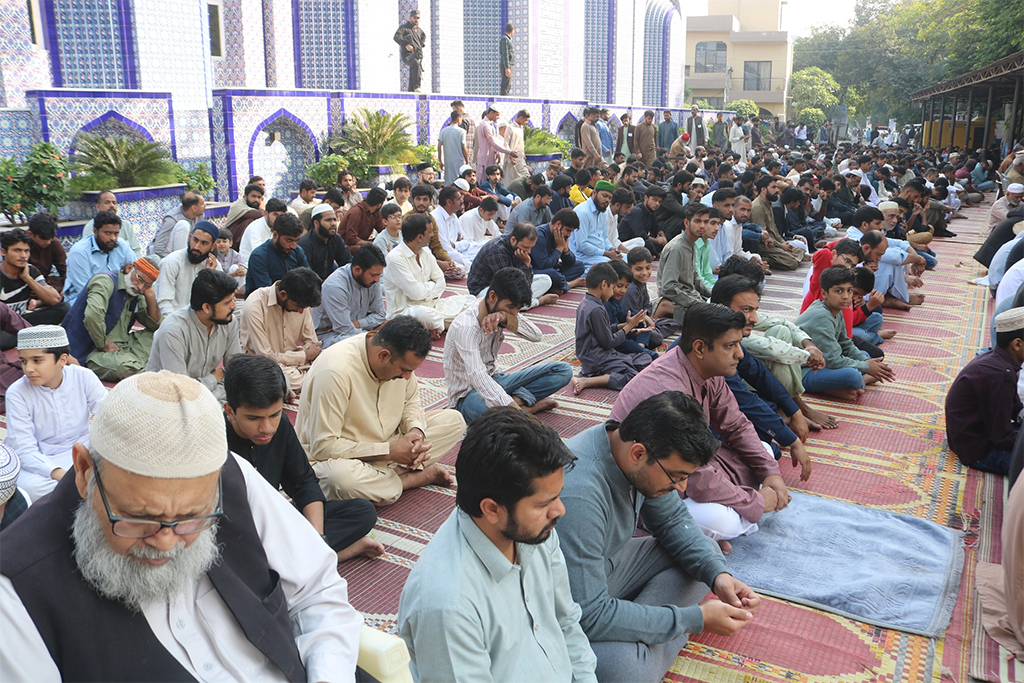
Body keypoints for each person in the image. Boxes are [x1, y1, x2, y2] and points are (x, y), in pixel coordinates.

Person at [0, 370, 363, 680]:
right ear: (83, 472)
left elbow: (317, 591)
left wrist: (329, 674)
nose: (166, 542)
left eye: (193, 517)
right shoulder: (16, 590)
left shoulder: (232, 478)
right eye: (140, 517)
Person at [560, 391, 760, 683]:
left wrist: (718, 577)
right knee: (624, 671)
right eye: (677, 476)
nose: (682, 488)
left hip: (605, 575)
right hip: (565, 608)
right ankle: (642, 636)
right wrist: (694, 619)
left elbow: (673, 520)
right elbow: (586, 614)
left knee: (705, 552)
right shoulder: (581, 495)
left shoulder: (631, 451)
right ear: (638, 453)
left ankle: (639, 629)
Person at [398, 406, 596, 682]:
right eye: (544, 503)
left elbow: (566, 621)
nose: (559, 510)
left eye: (557, 496)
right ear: (492, 509)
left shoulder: (532, 529)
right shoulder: (448, 606)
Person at [610, 303, 791, 542]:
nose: (739, 354)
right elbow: (692, 474)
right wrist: (755, 502)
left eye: (738, 344)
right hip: (653, 486)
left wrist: (771, 474)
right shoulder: (666, 391)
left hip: (690, 467)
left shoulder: (706, 370)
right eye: (730, 346)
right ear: (699, 348)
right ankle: (680, 531)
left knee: (765, 452)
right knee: (721, 520)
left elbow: (736, 425)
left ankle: (733, 520)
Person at [223, 355, 383, 562]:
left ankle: (311, 557)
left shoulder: (279, 427)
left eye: (274, 415)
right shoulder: (215, 441)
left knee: (362, 512)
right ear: (230, 411)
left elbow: (303, 482)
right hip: (239, 529)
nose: (267, 428)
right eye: (254, 418)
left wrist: (318, 539)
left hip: (274, 521)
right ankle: (335, 555)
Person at [296, 316, 465, 505]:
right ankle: (408, 479)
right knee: (339, 480)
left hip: (390, 445)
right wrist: (389, 452)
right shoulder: (335, 372)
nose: (408, 377)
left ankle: (385, 478)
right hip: (343, 458)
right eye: (404, 370)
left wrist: (415, 432)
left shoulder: (400, 363)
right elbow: (324, 446)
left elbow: (410, 402)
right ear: (383, 355)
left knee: (453, 421)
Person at [711, 276, 812, 476]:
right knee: (769, 450)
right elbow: (743, 399)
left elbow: (760, 375)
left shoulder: (729, 338)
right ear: (722, 309)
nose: (754, 319)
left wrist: (796, 412)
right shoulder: (712, 345)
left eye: (755, 310)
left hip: (718, 413)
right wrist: (790, 440)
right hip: (693, 428)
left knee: (770, 410)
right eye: (746, 310)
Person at [445, 268, 572, 420]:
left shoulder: (503, 313)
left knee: (563, 370)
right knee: (491, 414)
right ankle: (523, 409)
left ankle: (515, 404)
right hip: (467, 396)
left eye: (517, 309)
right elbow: (478, 377)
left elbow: (536, 335)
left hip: (496, 379)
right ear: (492, 296)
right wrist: (517, 413)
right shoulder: (466, 327)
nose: (514, 312)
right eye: (511, 307)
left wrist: (506, 318)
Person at [4, 325, 107, 501]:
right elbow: (24, 448)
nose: (28, 369)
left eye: (37, 360)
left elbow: (108, 415)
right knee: (29, 489)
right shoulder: (17, 393)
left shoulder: (83, 377)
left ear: (62, 359)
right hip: (40, 459)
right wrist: (59, 475)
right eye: (23, 361)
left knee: (116, 466)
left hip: (81, 449)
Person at [794, 266, 895, 400]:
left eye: (849, 290)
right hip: (802, 371)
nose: (846, 296)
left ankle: (839, 388)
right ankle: (858, 382)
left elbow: (845, 343)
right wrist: (866, 366)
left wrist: (865, 361)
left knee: (865, 355)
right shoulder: (821, 317)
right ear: (824, 293)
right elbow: (834, 360)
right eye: (839, 291)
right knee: (852, 376)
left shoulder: (836, 309)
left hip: (823, 362)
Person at [944, 307, 1024, 475]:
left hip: (981, 434)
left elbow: (1016, 408)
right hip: (979, 449)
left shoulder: (999, 361)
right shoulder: (1000, 375)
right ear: (1017, 344)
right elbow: (1002, 437)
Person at [147, 268, 242, 401]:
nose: (234, 306)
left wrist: (215, 394)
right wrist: (214, 378)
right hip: (168, 399)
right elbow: (181, 390)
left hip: (209, 394)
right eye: (227, 302)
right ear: (207, 308)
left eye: (234, 299)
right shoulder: (174, 330)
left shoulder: (229, 321)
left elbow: (234, 372)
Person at [62, 257, 162, 382]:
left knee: (160, 335)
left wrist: (150, 295)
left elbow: (155, 325)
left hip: (123, 345)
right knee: (125, 368)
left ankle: (137, 364)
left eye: (146, 285)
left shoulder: (136, 290)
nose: (141, 287)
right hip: (93, 350)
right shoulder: (104, 281)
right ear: (129, 268)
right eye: (140, 279)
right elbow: (92, 316)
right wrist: (102, 344)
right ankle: (138, 364)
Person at [384, 213, 476, 336]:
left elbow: (441, 281)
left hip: (432, 305)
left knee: (471, 300)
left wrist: (428, 288)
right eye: (430, 232)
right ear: (420, 237)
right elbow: (415, 294)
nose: (432, 235)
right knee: (423, 314)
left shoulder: (426, 252)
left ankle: (436, 326)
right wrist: (432, 285)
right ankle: (449, 325)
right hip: (406, 311)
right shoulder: (395, 258)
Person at [571, 262, 651, 393]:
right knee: (633, 377)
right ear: (604, 285)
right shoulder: (596, 309)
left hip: (598, 354)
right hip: (596, 357)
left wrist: (626, 325)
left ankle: (605, 373)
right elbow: (609, 342)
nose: (613, 291)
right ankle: (586, 380)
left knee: (644, 358)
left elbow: (605, 329)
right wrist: (628, 327)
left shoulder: (587, 303)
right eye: (613, 286)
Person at [240, 267, 322, 394]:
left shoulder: (301, 303)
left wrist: (308, 354)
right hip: (263, 364)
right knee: (274, 377)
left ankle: (300, 382)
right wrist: (304, 355)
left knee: (329, 364)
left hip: (295, 363)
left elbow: (311, 342)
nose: (301, 311)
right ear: (283, 294)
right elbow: (265, 355)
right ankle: (306, 381)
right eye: (299, 307)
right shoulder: (255, 305)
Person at [467, 222, 557, 308]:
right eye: (526, 247)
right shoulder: (497, 251)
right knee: (507, 302)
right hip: (485, 290)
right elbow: (510, 285)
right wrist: (525, 264)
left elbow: (522, 281)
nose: (529, 251)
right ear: (513, 240)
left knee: (546, 280)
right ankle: (536, 302)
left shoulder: (517, 248)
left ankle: (524, 302)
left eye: (531, 247)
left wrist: (526, 264)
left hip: (507, 285)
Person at [317, 245, 387, 348]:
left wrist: (357, 324)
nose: (377, 280)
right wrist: (373, 335)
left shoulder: (372, 281)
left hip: (360, 331)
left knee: (395, 325)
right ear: (357, 270)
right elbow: (345, 330)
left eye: (379, 276)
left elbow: (380, 315)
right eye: (373, 275)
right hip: (331, 336)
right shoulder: (335, 286)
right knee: (366, 344)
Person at [0, 229, 70, 328]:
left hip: (22, 320)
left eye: (26, 251)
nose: (23, 256)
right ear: (3, 252)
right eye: (17, 250)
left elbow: (54, 299)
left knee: (64, 308)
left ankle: (27, 334)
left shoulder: (30, 270)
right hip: (2, 325)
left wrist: (28, 279)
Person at [64, 211, 137, 305]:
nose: (113, 238)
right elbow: (85, 290)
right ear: (95, 231)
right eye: (108, 233)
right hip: (84, 301)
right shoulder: (80, 252)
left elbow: (136, 271)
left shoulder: (121, 245)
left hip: (117, 297)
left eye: (116, 234)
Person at [658, 203, 712, 326]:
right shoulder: (677, 248)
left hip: (690, 296)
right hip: (679, 301)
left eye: (706, 221)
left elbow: (694, 278)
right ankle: (664, 308)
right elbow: (668, 287)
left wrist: (712, 293)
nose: (702, 226)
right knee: (713, 323)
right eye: (698, 221)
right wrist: (695, 303)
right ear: (687, 223)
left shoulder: (692, 243)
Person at [154, 221, 222, 317]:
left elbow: (218, 300)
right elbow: (164, 303)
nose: (196, 247)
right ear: (190, 238)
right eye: (195, 240)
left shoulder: (214, 266)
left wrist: (209, 274)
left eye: (204, 243)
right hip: (174, 319)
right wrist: (176, 326)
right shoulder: (171, 262)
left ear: (212, 247)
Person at [245, 213, 310, 296]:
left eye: (296, 241)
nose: (293, 246)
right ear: (275, 235)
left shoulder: (297, 251)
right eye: (288, 241)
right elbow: (266, 292)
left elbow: (307, 278)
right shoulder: (259, 256)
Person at [622, 246, 679, 341]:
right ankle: (650, 334)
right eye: (639, 269)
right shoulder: (630, 289)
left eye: (648, 268)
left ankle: (651, 331)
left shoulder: (641, 283)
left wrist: (647, 316)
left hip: (644, 320)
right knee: (656, 338)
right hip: (631, 325)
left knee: (673, 323)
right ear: (629, 268)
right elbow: (627, 315)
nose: (644, 273)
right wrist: (644, 318)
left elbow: (647, 305)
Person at [751, 176, 804, 271]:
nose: (777, 190)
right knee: (792, 263)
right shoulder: (758, 207)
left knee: (799, 250)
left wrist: (784, 243)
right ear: (763, 189)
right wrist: (781, 246)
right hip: (765, 246)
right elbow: (763, 236)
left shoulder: (769, 204)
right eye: (773, 187)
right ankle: (763, 260)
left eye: (777, 187)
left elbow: (774, 230)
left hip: (774, 243)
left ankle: (784, 257)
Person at [531, 208, 586, 293]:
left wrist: (565, 249)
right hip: (536, 271)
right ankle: (569, 284)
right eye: (568, 230)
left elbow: (570, 262)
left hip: (552, 268)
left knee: (579, 265)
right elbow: (544, 266)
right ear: (558, 224)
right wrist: (559, 248)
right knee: (553, 274)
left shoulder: (561, 236)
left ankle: (557, 284)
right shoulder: (540, 236)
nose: (569, 235)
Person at [570, 180, 621, 272]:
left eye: (609, 198)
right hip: (583, 256)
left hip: (599, 255)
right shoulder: (583, 212)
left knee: (626, 259)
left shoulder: (601, 213)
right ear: (594, 192)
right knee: (610, 267)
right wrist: (606, 253)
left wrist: (612, 249)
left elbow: (604, 238)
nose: (607, 200)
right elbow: (582, 245)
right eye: (604, 196)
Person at [80, 191, 142, 258]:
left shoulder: (126, 225)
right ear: (98, 207)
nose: (112, 205)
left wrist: (135, 266)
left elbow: (136, 250)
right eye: (107, 202)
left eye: (114, 203)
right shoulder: (90, 227)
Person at [149, 190, 205, 259]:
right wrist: (175, 260)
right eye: (202, 204)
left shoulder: (199, 215)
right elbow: (158, 248)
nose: (205, 206)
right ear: (194, 208)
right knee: (183, 225)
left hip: (184, 254)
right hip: (162, 256)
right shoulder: (172, 219)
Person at [618, 185, 667, 257]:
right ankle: (656, 255)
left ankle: (653, 253)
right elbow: (641, 235)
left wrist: (663, 238)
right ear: (646, 198)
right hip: (628, 242)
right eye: (654, 200)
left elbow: (656, 228)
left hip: (641, 240)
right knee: (646, 243)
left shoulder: (650, 212)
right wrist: (657, 241)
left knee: (667, 236)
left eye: (659, 202)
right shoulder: (637, 212)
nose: (657, 204)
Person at [235, 197, 285, 265]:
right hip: (249, 265)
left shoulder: (280, 226)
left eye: (281, 216)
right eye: (275, 215)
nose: (278, 219)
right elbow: (259, 254)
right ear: (266, 214)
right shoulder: (255, 228)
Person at [339, 186, 386, 256]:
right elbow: (351, 239)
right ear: (379, 205)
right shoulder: (356, 212)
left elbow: (382, 230)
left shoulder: (376, 213)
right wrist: (370, 244)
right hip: (346, 247)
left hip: (363, 244)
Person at [476, 105, 519, 181]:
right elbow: (493, 142)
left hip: (490, 157)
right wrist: (509, 152)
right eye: (497, 115)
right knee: (485, 180)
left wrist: (497, 152)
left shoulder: (490, 125)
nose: (498, 117)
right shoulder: (485, 125)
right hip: (485, 157)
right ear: (491, 113)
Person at [27, 212, 67, 290]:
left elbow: (64, 270)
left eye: (51, 238)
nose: (48, 242)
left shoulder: (54, 243)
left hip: (45, 283)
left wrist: (66, 288)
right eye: (44, 238)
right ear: (31, 234)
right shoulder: (22, 245)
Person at [223, 183, 266, 249]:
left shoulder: (253, 206)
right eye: (253, 196)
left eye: (259, 197)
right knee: (250, 221)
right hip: (231, 239)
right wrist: (262, 209)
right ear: (245, 196)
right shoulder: (238, 205)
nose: (256, 200)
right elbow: (258, 214)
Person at [394, 9, 426, 91]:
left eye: (418, 18)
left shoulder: (420, 31)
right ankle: (417, 87)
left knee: (415, 70)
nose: (416, 20)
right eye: (415, 17)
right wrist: (405, 44)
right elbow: (396, 37)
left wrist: (421, 45)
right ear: (410, 18)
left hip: (416, 54)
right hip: (407, 55)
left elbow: (423, 37)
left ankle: (411, 90)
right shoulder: (404, 28)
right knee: (416, 64)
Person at [439, 109, 468, 185]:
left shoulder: (444, 131)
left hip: (448, 161)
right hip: (459, 160)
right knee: (459, 180)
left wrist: (440, 160)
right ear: (459, 118)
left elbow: (439, 146)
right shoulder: (461, 131)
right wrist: (467, 161)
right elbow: (464, 147)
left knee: (448, 180)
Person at [503, 109, 530, 181]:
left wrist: (523, 155)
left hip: (520, 159)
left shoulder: (521, 128)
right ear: (521, 118)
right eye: (525, 120)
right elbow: (506, 144)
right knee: (511, 179)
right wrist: (510, 155)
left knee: (526, 177)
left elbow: (521, 143)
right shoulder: (510, 127)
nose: (526, 122)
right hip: (512, 159)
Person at [500, 22, 515, 95]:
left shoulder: (508, 39)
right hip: (507, 64)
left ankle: (506, 96)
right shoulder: (505, 39)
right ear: (512, 30)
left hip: (509, 64)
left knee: (508, 84)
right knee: (506, 84)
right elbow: (505, 53)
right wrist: (507, 67)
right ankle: (503, 98)